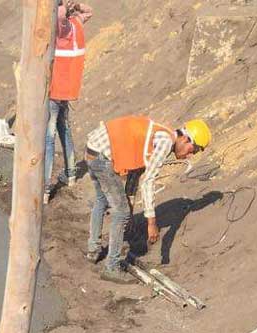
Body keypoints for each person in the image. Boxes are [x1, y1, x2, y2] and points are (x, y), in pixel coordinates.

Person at [85, 116, 211, 283]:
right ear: (186, 139)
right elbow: (148, 182)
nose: (189, 156)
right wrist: (151, 222)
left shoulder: (159, 134)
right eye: (192, 150)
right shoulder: (165, 143)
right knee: (120, 212)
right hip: (103, 158)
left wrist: (130, 205)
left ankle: (93, 251)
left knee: (103, 200)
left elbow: (135, 173)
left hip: (93, 150)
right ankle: (112, 267)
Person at [45, 0, 93, 203]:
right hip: (68, 91)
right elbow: (89, 11)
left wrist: (63, 4)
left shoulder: (63, 28)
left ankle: (45, 187)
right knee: (65, 129)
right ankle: (71, 174)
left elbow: (57, 15)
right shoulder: (77, 25)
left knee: (48, 136)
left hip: (54, 89)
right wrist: (76, 5)